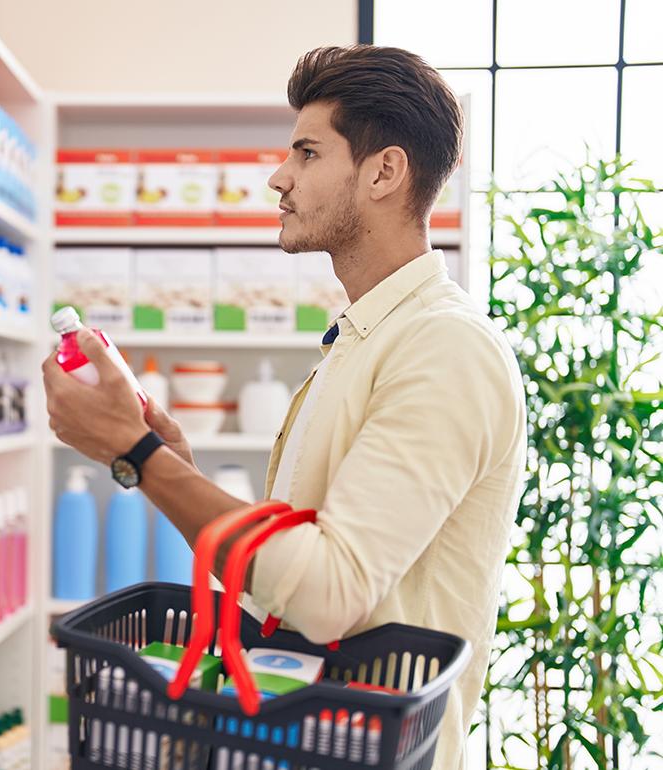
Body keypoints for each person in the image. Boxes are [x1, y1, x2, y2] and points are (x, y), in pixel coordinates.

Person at [43, 45, 526, 768]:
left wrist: (137, 459)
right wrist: (168, 465)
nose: (278, 176)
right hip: (303, 738)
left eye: (306, 153)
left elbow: (328, 593)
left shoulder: (446, 348)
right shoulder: (362, 335)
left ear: (384, 172)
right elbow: (293, 565)